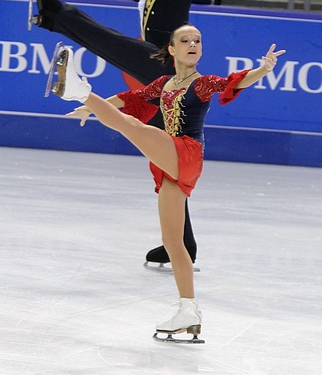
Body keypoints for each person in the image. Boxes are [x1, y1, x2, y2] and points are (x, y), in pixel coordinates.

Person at [30, 0, 262, 267]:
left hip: (165, 63)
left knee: (109, 41)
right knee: (164, 164)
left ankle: (53, 13)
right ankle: (183, 244)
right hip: (163, 83)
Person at [46, 24, 286, 339]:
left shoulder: (201, 83)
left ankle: (79, 89)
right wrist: (90, 109)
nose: (192, 44)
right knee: (173, 241)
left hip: (185, 153)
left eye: (197, 40)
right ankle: (188, 309)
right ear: (171, 50)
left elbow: (232, 82)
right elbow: (130, 97)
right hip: (169, 163)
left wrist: (263, 70)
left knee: (131, 127)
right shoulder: (165, 83)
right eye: (184, 40)